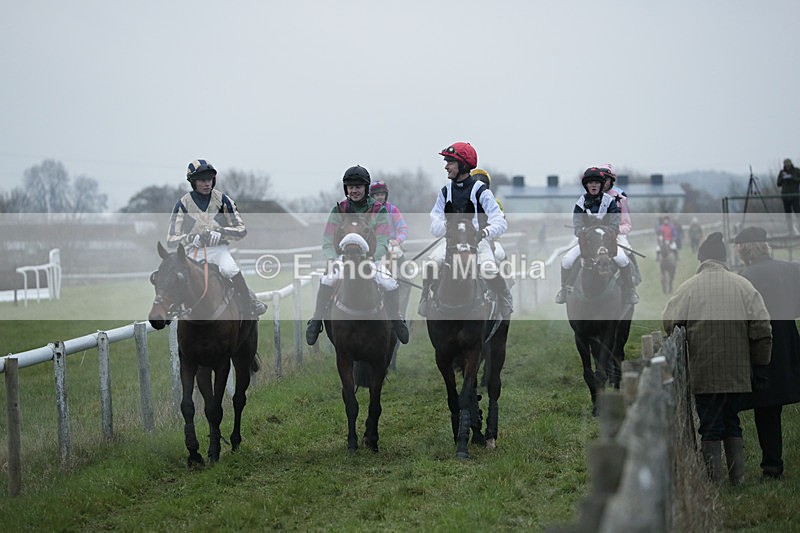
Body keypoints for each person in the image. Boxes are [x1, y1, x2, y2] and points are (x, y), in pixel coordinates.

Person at [663, 232, 772, 485]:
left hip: (704, 372)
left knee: (710, 425)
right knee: (732, 421)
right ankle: (738, 479)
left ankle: (714, 482)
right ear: (724, 258)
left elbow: (669, 322)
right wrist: (761, 365)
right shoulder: (743, 285)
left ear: (701, 259)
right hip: (738, 373)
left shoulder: (688, 287)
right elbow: (763, 329)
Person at [305, 165, 409, 346]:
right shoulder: (339, 210)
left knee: (389, 282)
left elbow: (383, 240)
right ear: (346, 189)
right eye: (350, 187)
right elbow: (328, 240)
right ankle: (316, 320)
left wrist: (372, 258)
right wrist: (331, 258)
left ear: (366, 188)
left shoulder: (379, 210)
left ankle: (396, 320)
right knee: (328, 279)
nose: (354, 190)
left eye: (358, 187)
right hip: (343, 258)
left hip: (370, 259)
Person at [734, 226, 800, 479]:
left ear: (745, 249)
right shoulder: (792, 269)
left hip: (763, 345)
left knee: (767, 408)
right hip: (789, 340)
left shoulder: (746, 277)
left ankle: (772, 466)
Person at [420, 142, 513, 318]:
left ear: (463, 165)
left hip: (478, 242)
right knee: (431, 264)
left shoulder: (481, 191)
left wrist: (484, 233)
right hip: (452, 243)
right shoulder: (445, 191)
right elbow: (434, 223)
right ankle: (425, 297)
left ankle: (504, 297)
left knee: (489, 269)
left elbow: (499, 221)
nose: (446, 166)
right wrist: (448, 228)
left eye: (450, 162)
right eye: (446, 162)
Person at [167, 159, 267, 317]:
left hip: (218, 250)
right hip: (193, 252)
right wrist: (190, 238)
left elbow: (241, 229)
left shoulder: (224, 201)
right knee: (178, 277)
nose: (207, 183)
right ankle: (171, 310)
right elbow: (171, 239)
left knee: (230, 269)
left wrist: (221, 232)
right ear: (193, 182)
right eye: (202, 180)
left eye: (209, 179)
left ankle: (249, 304)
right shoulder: (182, 205)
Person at [555, 167, 638, 305]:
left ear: (600, 185)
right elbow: (577, 223)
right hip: (588, 242)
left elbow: (615, 221)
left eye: (596, 183)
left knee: (623, 260)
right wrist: (584, 232)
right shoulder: (580, 202)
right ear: (586, 185)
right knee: (567, 261)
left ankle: (630, 291)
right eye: (590, 183)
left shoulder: (610, 201)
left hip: (606, 241)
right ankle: (564, 290)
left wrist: (607, 231)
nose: (593, 185)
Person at [369, 180, 411, 324]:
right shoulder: (369, 212)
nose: (379, 197)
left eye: (382, 194)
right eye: (376, 194)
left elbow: (403, 229)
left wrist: (397, 241)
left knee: (406, 277)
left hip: (393, 247)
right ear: (372, 196)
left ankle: (400, 312)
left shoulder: (393, 210)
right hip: (375, 248)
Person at [599, 163, 640, 285]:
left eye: (606, 179)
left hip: (615, 234)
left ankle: (634, 278)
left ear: (611, 180)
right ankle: (568, 287)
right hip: (595, 235)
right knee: (571, 258)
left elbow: (626, 225)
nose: (603, 182)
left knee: (624, 253)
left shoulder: (620, 198)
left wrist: (615, 230)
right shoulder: (590, 197)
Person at [470, 168, 506, 262]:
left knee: (499, 255)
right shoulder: (462, 199)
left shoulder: (493, 202)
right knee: (435, 260)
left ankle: (504, 274)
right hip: (461, 239)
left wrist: (487, 233)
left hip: (485, 238)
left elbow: (499, 221)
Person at [776, 158, 800, 234]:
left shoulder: (796, 171)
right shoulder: (782, 172)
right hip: (785, 196)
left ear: (791, 164)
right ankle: (790, 231)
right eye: (786, 164)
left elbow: (798, 180)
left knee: (798, 213)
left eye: (788, 164)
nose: (787, 166)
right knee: (788, 215)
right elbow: (778, 184)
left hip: (795, 195)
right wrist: (783, 178)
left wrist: (791, 177)